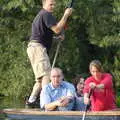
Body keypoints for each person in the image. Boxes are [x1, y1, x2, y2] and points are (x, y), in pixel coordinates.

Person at [26, 0, 73, 106]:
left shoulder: (42, 15)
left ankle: (31, 100)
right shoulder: (46, 14)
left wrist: (57, 38)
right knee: (47, 75)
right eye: (50, 4)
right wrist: (65, 15)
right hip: (38, 48)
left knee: (41, 78)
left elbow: (43, 34)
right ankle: (46, 104)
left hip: (34, 47)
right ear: (44, 5)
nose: (52, 6)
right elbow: (57, 29)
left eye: (54, 5)